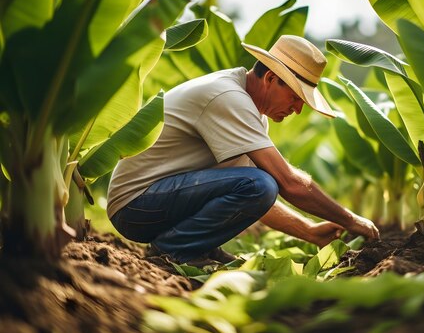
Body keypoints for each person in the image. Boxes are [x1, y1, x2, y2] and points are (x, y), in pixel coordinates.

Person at [106, 35, 380, 265]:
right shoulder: (228, 98)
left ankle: (194, 246)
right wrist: (350, 219)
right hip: (136, 206)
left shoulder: (251, 113)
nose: (297, 109)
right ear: (271, 79)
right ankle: (175, 248)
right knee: (261, 182)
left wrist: (309, 231)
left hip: (154, 202)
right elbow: (286, 184)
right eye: (295, 97)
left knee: (258, 184)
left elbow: (250, 195)